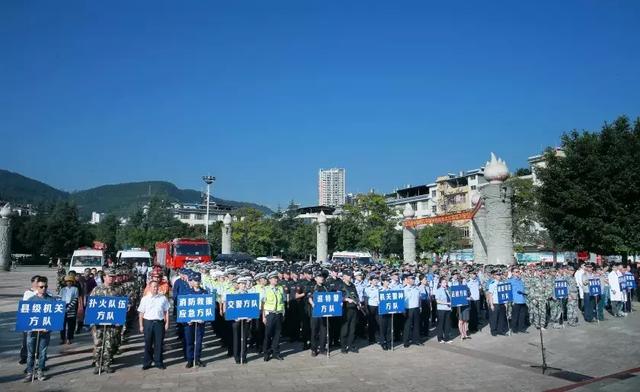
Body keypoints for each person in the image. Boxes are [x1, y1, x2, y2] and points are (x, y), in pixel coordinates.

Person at [89, 268, 121, 374]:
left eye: (113, 276)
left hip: (112, 323)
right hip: (98, 323)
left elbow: (123, 305)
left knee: (109, 344)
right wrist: (92, 321)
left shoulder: (118, 290)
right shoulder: (96, 290)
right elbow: (91, 305)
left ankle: (107, 364)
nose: (111, 278)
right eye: (109, 276)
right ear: (104, 277)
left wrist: (120, 318)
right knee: (98, 344)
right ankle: (98, 365)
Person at [24, 277, 55, 382]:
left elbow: (55, 317)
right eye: (41, 287)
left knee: (42, 353)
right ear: (37, 287)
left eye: (45, 286)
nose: (44, 289)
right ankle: (29, 372)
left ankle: (40, 371)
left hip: (45, 332)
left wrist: (49, 327)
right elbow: (25, 317)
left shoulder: (51, 300)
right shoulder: (31, 300)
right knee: (30, 353)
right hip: (32, 332)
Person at [137, 280, 169, 370]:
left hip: (159, 323)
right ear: (149, 288)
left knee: (159, 344)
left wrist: (167, 323)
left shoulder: (163, 298)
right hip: (148, 323)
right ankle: (147, 362)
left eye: (156, 287)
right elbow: (141, 313)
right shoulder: (145, 298)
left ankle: (158, 362)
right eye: (153, 287)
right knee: (148, 343)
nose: (155, 288)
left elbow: (166, 311)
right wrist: (141, 325)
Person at [184, 273, 207, 368]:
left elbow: (207, 308)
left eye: (198, 280)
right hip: (190, 322)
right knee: (189, 341)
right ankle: (190, 359)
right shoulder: (187, 292)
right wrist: (187, 320)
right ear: (192, 281)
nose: (196, 282)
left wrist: (204, 319)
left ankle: (197, 358)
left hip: (200, 322)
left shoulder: (204, 293)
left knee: (198, 341)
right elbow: (183, 308)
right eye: (195, 280)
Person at [262, 271, 285, 361]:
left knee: (277, 334)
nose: (276, 280)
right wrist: (263, 317)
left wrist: (283, 313)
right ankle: (266, 353)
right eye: (274, 278)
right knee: (268, 334)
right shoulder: (266, 289)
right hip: (270, 314)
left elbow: (282, 302)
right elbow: (263, 304)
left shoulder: (280, 289)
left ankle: (276, 352)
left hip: (278, 313)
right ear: (270, 280)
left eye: (276, 278)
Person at [19, 275, 40, 365]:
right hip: (28, 320)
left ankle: (37, 356)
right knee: (26, 340)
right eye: (36, 281)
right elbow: (26, 304)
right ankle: (24, 356)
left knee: (38, 339)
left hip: (39, 320)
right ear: (32, 282)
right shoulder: (28, 292)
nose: (38, 283)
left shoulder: (44, 292)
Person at [339, 270, 359, 354]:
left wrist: (357, 302)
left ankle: (350, 345)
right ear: (344, 276)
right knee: (345, 329)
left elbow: (355, 295)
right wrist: (346, 299)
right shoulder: (340, 285)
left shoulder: (352, 285)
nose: (350, 277)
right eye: (348, 275)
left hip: (354, 309)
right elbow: (337, 297)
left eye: (351, 275)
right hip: (345, 309)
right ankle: (343, 347)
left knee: (352, 329)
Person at [308, 271, 328, 356]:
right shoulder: (313, 287)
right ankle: (314, 349)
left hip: (324, 312)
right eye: (319, 277)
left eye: (322, 277)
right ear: (316, 278)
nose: (322, 278)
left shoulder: (325, 288)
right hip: (315, 313)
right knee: (314, 331)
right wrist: (313, 304)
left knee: (323, 331)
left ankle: (322, 348)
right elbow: (309, 297)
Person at [402, 274, 422, 347]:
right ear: (407, 280)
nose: (413, 280)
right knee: (407, 326)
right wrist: (403, 310)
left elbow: (419, 298)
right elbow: (402, 301)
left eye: (413, 279)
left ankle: (416, 340)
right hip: (408, 309)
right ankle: (406, 342)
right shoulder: (404, 289)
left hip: (416, 308)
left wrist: (420, 307)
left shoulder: (417, 288)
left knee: (416, 325)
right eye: (411, 279)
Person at [59, 275, 79, 344]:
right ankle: (62, 338)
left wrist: (69, 307)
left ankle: (69, 338)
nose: (69, 283)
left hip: (71, 307)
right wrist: (62, 307)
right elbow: (59, 298)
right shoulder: (62, 289)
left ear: (72, 282)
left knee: (71, 325)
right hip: (63, 306)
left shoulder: (75, 289)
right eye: (67, 281)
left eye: (70, 281)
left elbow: (76, 299)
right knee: (62, 324)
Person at [363, 275, 380, 344]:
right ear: (370, 281)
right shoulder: (367, 288)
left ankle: (378, 338)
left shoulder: (379, 288)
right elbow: (366, 299)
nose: (376, 281)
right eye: (374, 280)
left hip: (378, 306)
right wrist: (366, 309)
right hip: (371, 307)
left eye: (377, 280)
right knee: (371, 323)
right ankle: (371, 339)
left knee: (378, 323)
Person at [435, 277, 452, 343]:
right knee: (441, 324)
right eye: (444, 282)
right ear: (440, 283)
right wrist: (446, 303)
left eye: (446, 282)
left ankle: (447, 338)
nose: (445, 283)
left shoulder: (447, 290)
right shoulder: (438, 290)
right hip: (441, 309)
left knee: (447, 324)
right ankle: (440, 338)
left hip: (448, 309)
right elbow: (437, 301)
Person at [509, 269, 527, 334]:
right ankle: (514, 329)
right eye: (516, 272)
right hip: (515, 300)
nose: (518, 273)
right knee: (515, 316)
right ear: (512, 273)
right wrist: (511, 300)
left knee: (522, 315)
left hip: (522, 300)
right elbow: (509, 292)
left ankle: (521, 328)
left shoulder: (520, 280)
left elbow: (524, 289)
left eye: (518, 271)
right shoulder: (510, 281)